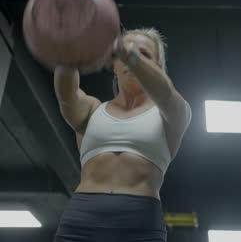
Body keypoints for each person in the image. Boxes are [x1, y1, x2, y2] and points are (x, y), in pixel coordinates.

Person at [53, 28, 191, 242]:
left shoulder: (172, 113)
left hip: (140, 223)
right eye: (122, 55)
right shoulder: (92, 110)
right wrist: (69, 56)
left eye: (144, 54)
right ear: (114, 66)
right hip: (82, 220)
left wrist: (127, 53)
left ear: (158, 68)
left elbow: (165, 93)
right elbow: (66, 95)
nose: (131, 58)